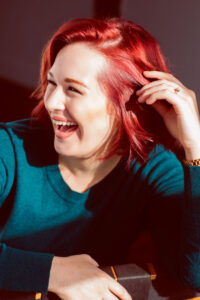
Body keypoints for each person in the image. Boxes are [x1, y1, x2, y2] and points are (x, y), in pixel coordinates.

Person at [0, 17, 200, 300]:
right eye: (51, 83)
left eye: (73, 89)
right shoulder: (8, 148)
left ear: (127, 104)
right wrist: (53, 272)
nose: (52, 102)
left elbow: (195, 274)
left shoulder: (153, 169)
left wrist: (196, 146)